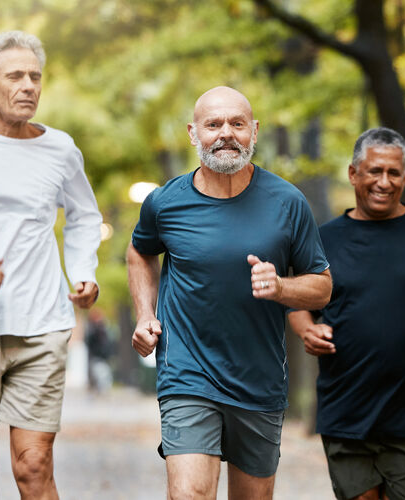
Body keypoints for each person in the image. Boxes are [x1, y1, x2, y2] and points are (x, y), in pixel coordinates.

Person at [127, 86, 332, 500]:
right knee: (189, 495)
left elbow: (322, 287)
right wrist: (145, 314)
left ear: (254, 130)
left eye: (237, 124)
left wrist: (281, 287)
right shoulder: (165, 203)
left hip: (258, 379)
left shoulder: (288, 202)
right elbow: (139, 253)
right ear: (192, 133)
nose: (226, 133)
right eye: (213, 124)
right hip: (187, 373)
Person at [289, 127, 405, 500]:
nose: (384, 182)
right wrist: (306, 330)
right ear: (354, 173)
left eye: (393, 173)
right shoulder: (324, 239)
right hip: (345, 412)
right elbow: (296, 300)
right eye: (374, 171)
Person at [0, 31, 102, 500]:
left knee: (33, 467)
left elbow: (84, 215)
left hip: (41, 324)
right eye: (15, 76)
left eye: (35, 76)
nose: (28, 86)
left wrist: (82, 272)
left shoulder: (60, 149)